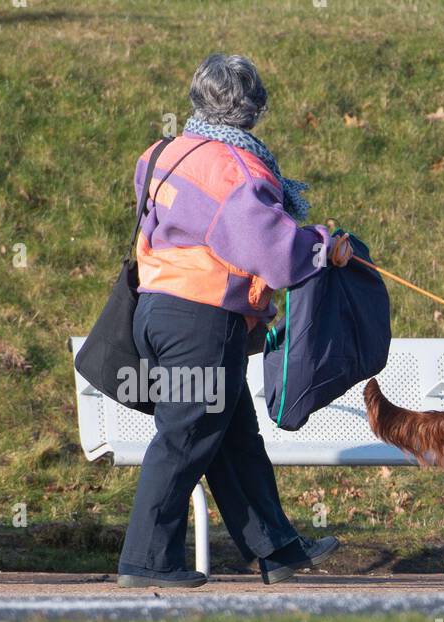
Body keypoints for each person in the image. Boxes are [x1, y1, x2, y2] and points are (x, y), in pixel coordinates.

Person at [116, 54, 351, 589]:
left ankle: (277, 549)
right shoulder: (234, 169)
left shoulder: (161, 153)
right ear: (253, 107)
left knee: (232, 437)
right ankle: (146, 559)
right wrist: (320, 246)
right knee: (188, 435)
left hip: (158, 309)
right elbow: (269, 248)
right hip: (201, 318)